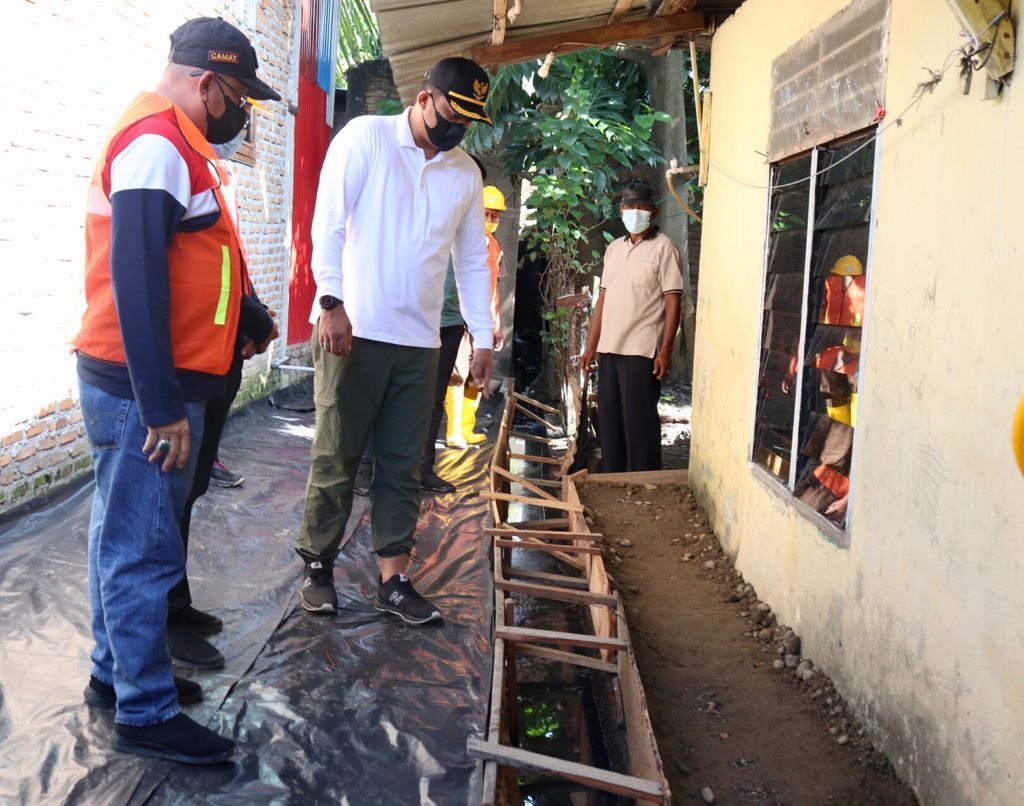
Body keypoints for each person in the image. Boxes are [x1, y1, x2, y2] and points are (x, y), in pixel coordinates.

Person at [73, 17, 279, 764]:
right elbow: (137, 281)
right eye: (239, 98)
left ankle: (116, 675)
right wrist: (162, 407)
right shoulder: (158, 143)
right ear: (206, 83)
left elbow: (190, 263)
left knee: (119, 535)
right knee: (143, 550)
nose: (241, 114)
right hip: (141, 394)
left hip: (137, 383)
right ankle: (146, 711)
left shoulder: (171, 143)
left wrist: (242, 318)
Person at [296, 57, 495, 623]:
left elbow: (472, 260)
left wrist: (482, 338)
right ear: (425, 98)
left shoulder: (465, 174)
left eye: (469, 120)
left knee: (404, 466)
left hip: (420, 343)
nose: (459, 128)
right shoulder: (366, 138)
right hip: (353, 331)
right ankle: (318, 567)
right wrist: (330, 302)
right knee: (337, 454)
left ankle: (394, 580)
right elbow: (329, 222)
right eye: (453, 114)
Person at [166, 157, 278, 672]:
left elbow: (229, 270)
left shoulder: (216, 179)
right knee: (166, 505)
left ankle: (176, 603)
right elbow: (189, 277)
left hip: (218, 360)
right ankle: (163, 622)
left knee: (188, 493)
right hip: (186, 366)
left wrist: (251, 320)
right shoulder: (172, 164)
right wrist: (254, 319)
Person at [581, 181, 684, 473]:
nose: (633, 212)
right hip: (609, 348)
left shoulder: (665, 249)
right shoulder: (614, 249)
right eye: (628, 207)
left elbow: (673, 303)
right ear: (621, 211)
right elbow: (602, 300)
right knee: (609, 420)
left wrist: (665, 351)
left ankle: (644, 479)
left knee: (639, 422)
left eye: (640, 207)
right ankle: (613, 478)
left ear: (654, 212)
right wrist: (591, 346)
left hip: (641, 349)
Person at [445, 184, 506, 449]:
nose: (490, 220)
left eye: (495, 216)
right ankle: (453, 431)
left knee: (476, 376)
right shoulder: (459, 241)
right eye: (486, 214)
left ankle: (467, 428)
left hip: (483, 322)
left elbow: (495, 288)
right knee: (458, 373)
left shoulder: (495, 246)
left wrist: (496, 324)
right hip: (461, 320)